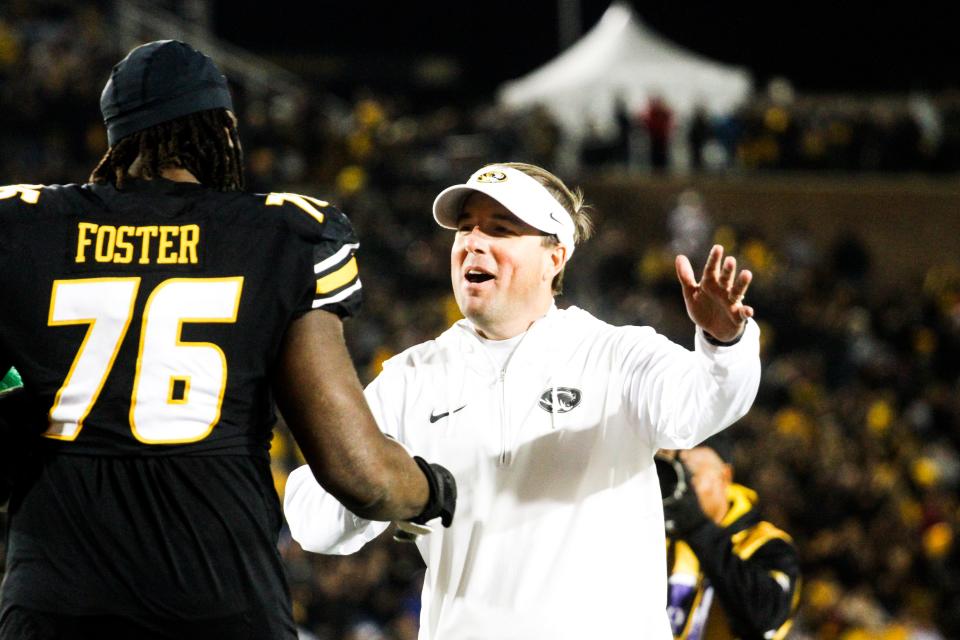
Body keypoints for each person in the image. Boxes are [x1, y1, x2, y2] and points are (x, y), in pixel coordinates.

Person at [0, 40, 455, 639]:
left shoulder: (23, 225)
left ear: (115, 138)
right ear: (224, 131)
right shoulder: (279, 233)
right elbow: (360, 475)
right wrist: (436, 491)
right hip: (220, 598)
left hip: (55, 605)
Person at [284, 161, 762, 639]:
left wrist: (725, 342)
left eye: (501, 229)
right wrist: (381, 486)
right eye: (465, 228)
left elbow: (703, 403)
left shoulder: (616, 355)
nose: (473, 240)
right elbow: (313, 523)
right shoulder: (412, 378)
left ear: (555, 257)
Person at [661, 433, 800, 639]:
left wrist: (698, 528)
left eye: (689, 473)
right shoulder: (655, 531)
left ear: (725, 476)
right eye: (671, 471)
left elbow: (765, 617)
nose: (679, 485)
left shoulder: (767, 544)